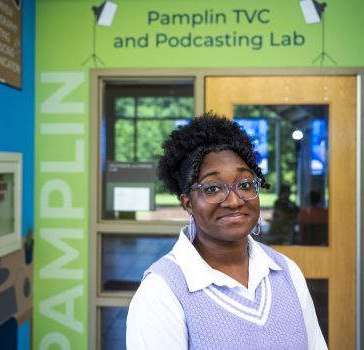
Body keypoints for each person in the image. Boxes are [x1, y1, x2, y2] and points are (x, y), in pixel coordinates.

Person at [126, 112, 327, 349]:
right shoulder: (162, 292)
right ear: (188, 203)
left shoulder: (287, 273)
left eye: (244, 184)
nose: (234, 201)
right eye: (212, 189)